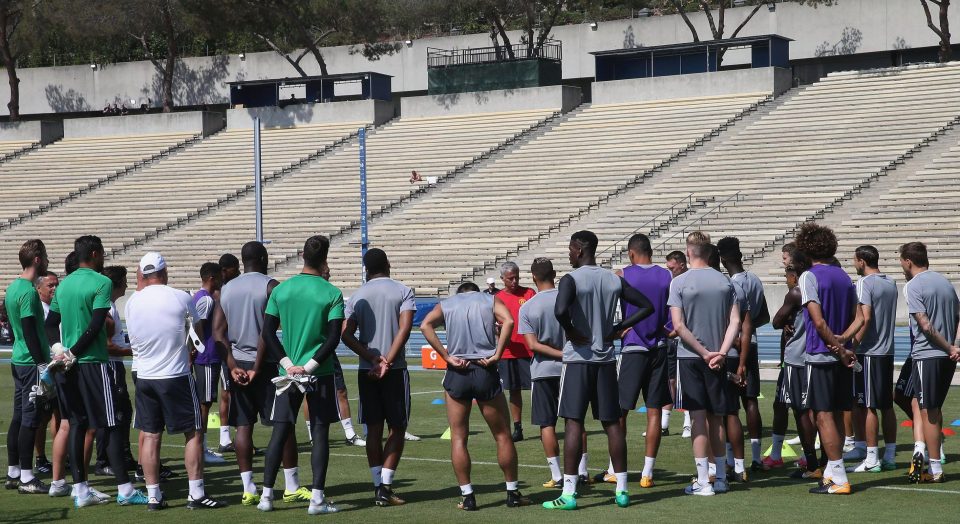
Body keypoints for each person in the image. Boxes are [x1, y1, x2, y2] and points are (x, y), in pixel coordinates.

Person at [544, 230, 654, 510]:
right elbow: (646, 306)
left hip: (579, 360)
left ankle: (568, 493)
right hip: (605, 361)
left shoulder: (571, 279)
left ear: (580, 250)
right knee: (612, 425)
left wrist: (571, 331)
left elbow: (559, 310)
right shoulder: (612, 278)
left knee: (573, 423)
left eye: (570, 249)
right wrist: (616, 328)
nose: (569, 254)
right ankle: (622, 489)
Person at [44, 235, 147, 507]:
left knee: (77, 424)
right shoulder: (102, 283)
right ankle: (125, 490)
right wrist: (74, 352)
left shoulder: (64, 286)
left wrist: (60, 350)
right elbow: (97, 325)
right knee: (111, 425)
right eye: (101, 253)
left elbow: (50, 324)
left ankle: (80, 489)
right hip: (91, 362)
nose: (103, 257)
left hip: (67, 365)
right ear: (93, 253)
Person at [125, 252, 226, 510]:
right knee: (193, 432)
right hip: (175, 374)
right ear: (165, 272)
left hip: (145, 375)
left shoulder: (132, 302)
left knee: (149, 435)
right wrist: (190, 348)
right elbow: (198, 330)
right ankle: (196, 493)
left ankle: (153, 495)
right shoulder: (180, 296)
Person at [421, 282, 529, 511]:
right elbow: (509, 320)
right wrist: (498, 354)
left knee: (459, 437)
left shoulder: (448, 304)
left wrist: (446, 356)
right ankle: (512, 493)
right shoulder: (488, 300)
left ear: (460, 293)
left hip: (458, 370)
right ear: (476, 291)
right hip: (484, 368)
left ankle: (468, 497)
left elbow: (425, 325)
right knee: (502, 435)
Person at [213, 242, 306, 505]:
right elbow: (268, 331)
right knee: (283, 425)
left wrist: (232, 366)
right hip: (264, 366)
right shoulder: (271, 285)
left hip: (238, 364)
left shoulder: (228, 288)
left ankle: (248, 488)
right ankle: (291, 485)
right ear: (263, 258)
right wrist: (255, 367)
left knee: (243, 427)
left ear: (243, 262)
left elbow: (218, 332)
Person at [258, 235, 344, 515]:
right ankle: (317, 500)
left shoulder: (281, 290)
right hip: (320, 372)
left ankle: (267, 497)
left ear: (302, 256)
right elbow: (333, 339)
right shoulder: (332, 293)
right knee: (319, 433)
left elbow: (268, 332)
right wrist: (308, 368)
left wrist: (288, 363)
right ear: (325, 259)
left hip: (287, 373)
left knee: (280, 433)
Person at [340, 248, 416, 507]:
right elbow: (405, 328)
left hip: (367, 370)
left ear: (366, 269)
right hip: (394, 370)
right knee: (397, 427)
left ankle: (378, 487)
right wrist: (388, 360)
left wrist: (372, 358)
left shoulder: (357, 296)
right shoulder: (402, 290)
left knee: (373, 429)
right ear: (388, 264)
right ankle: (385, 486)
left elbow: (346, 335)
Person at [669, 232, 740, 497]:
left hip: (691, 358)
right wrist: (719, 353)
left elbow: (678, 325)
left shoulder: (679, 282)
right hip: (718, 358)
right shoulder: (726, 282)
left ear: (689, 252)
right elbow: (735, 322)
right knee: (717, 417)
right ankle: (720, 477)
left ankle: (703, 480)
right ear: (709, 253)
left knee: (698, 416)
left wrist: (703, 352)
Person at [605, 234, 673, 489]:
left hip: (633, 346)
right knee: (654, 410)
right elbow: (670, 311)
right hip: (658, 346)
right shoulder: (666, 275)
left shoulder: (622, 274)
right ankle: (647, 472)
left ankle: (615, 468)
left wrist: (619, 328)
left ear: (631, 253)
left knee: (620, 411)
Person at [795, 223, 857, 495]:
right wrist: (844, 341)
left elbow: (818, 322)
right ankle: (833, 473)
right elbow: (861, 317)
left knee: (822, 415)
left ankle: (840, 477)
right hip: (840, 356)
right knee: (836, 411)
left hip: (821, 354)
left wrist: (836, 345)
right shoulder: (843, 276)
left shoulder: (809, 276)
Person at [517, 257, 590, 489]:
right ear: (555, 274)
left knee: (546, 424)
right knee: (575, 421)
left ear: (533, 277)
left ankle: (558, 475)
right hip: (572, 367)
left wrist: (558, 354)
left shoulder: (528, 306)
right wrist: (566, 355)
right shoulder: (569, 300)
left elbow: (533, 345)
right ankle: (582, 471)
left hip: (543, 370)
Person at [899, 242, 959, 483]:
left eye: (901, 261)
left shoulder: (913, 285)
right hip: (946, 357)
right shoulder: (945, 282)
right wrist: (953, 346)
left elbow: (924, 325)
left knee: (928, 411)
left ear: (908, 261)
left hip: (928, 355)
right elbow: (957, 314)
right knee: (930, 407)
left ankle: (935, 468)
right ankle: (932, 458)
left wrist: (947, 346)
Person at [835, 246, 898, 473]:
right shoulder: (890, 282)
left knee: (869, 405)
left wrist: (849, 343)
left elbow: (865, 318)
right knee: (885, 405)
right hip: (887, 350)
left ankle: (872, 458)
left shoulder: (863, 283)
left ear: (861, 261)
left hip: (870, 351)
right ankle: (888, 453)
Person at [717, 237, 769, 472]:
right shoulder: (755, 279)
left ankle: (731, 460)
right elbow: (764, 317)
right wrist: (748, 331)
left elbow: (734, 319)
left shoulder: (731, 284)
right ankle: (756, 457)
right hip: (753, 344)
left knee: (730, 408)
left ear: (724, 258)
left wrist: (738, 334)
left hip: (734, 347)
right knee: (751, 402)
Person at [4, 239, 52, 494]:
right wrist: (42, 364)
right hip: (30, 362)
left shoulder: (12, 288)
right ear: (36, 260)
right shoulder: (28, 292)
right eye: (45, 256)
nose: (47, 261)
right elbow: (30, 331)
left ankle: (13, 472)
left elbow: (15, 330)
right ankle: (26, 477)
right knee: (30, 419)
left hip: (18, 358)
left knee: (19, 416)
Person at [771, 265, 820, 478]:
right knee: (819, 410)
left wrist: (784, 323)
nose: (786, 280)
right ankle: (822, 461)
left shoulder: (796, 292)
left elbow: (776, 321)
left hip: (797, 358)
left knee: (800, 411)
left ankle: (811, 463)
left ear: (794, 276)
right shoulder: (822, 287)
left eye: (787, 276)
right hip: (818, 355)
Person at [93, 266, 136, 476]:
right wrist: (131, 350)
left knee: (123, 411)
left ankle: (121, 455)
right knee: (112, 413)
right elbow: (106, 344)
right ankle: (103, 461)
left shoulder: (110, 306)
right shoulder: (106, 309)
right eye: (124, 281)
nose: (127, 285)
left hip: (114, 363)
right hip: (110, 364)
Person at [496, 261, 536, 442]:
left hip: (530, 350)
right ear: (502, 279)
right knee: (513, 391)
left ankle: (546, 425)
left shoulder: (529, 293)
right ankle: (517, 427)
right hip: (508, 352)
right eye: (510, 278)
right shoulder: (496, 298)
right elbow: (491, 324)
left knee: (539, 388)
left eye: (517, 277)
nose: (514, 281)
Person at [192, 262, 226, 464]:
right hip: (206, 357)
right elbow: (198, 327)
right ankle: (201, 449)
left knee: (206, 402)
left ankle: (202, 447)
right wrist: (196, 350)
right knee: (204, 404)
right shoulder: (205, 300)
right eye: (220, 276)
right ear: (212, 278)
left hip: (207, 356)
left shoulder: (203, 297)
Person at [33, 270, 58, 475]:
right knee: (42, 414)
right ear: (38, 288)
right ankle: (40, 458)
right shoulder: (39, 309)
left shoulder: (55, 308)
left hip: (57, 365)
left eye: (56, 284)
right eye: (50, 285)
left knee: (58, 412)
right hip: (44, 366)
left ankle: (60, 455)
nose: (54, 288)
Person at [215, 253, 239, 453]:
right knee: (227, 392)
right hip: (227, 347)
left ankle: (236, 436)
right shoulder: (221, 291)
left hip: (234, 345)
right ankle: (225, 438)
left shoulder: (232, 288)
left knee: (233, 392)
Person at [665, 250, 688, 437]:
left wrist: (675, 331)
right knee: (670, 379)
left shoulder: (687, 280)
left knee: (684, 382)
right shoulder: (672, 282)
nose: (670, 271)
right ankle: (664, 423)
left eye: (672, 267)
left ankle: (688, 423)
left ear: (681, 264)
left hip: (684, 338)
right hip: (672, 338)